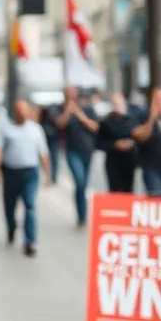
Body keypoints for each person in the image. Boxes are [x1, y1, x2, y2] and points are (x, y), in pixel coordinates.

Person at [0, 100, 52, 257]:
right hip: (11, 172)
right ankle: (11, 228)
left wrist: (48, 174)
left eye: (25, 111)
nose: (23, 114)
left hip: (30, 173)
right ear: (15, 113)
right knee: (10, 208)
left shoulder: (36, 129)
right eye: (20, 111)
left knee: (30, 205)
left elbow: (43, 153)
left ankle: (30, 241)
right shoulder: (4, 128)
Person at [56, 86, 99, 229]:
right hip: (72, 151)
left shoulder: (88, 110)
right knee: (79, 181)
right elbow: (60, 124)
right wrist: (68, 112)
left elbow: (94, 127)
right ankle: (82, 215)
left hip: (87, 151)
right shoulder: (61, 109)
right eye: (68, 95)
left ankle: (82, 215)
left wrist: (80, 115)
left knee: (83, 185)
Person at [97, 93, 138, 193]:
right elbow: (99, 143)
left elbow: (138, 138)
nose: (118, 106)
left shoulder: (132, 120)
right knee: (114, 190)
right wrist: (115, 145)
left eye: (120, 103)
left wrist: (131, 143)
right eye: (115, 103)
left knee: (128, 190)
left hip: (129, 160)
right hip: (113, 161)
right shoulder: (106, 122)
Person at [39, 102, 62, 184]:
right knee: (46, 157)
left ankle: (52, 177)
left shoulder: (58, 110)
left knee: (53, 158)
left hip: (53, 137)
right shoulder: (41, 110)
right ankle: (49, 177)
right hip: (45, 136)